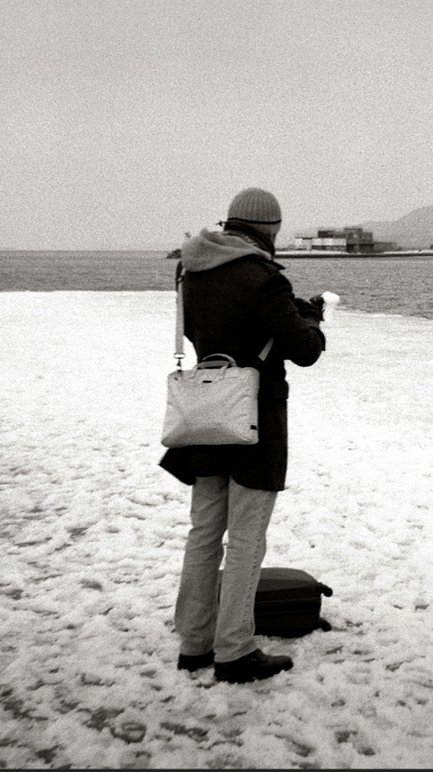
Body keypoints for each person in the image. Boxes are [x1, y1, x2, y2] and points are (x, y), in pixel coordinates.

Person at [159, 187, 326, 684]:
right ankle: (233, 651)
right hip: (255, 416)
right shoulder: (263, 277)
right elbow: (304, 350)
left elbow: (197, 332)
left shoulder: (192, 269)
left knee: (204, 531)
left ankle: (195, 643)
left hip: (207, 410)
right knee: (247, 538)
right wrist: (312, 320)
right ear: (270, 228)